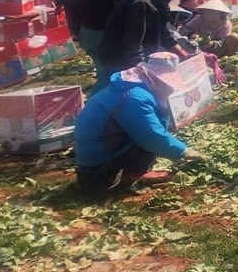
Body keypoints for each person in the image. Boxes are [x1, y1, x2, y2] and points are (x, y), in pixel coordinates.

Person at [74, 59, 206, 193]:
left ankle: (131, 170)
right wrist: (183, 151)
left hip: (94, 158)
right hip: (99, 167)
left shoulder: (130, 86)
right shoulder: (135, 97)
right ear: (155, 79)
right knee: (149, 135)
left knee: (155, 124)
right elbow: (151, 136)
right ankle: (132, 173)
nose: (169, 89)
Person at [97, 0, 196, 77]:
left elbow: (163, 32)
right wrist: (142, 71)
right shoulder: (141, 4)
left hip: (133, 53)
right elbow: (132, 44)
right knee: (118, 89)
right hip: (118, 57)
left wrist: (181, 51)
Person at [71, 0, 144, 90]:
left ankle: (102, 107)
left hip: (86, 31)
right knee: (109, 78)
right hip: (103, 32)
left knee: (103, 71)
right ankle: (94, 110)